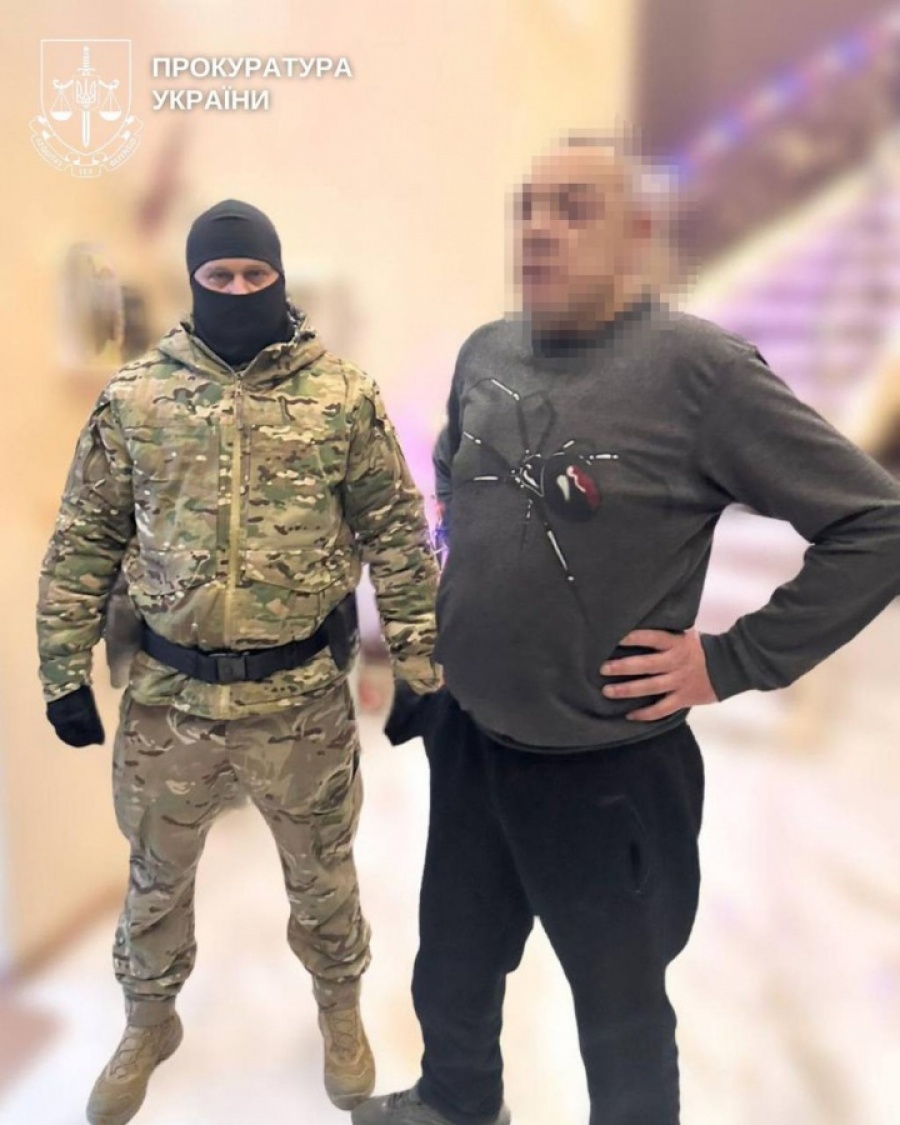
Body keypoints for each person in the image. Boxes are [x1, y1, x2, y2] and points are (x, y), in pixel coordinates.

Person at [352, 135, 900, 1125]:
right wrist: (458, 611)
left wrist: (732, 660)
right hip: (471, 742)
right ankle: (457, 1104)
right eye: (528, 207)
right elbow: (454, 478)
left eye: (574, 209)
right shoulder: (486, 352)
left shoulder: (701, 373)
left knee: (620, 1019)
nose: (539, 229)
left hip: (605, 775)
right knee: (453, 968)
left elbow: (875, 525)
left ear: (637, 236)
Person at [36, 199, 441, 1125]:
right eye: (219, 275)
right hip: (169, 698)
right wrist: (63, 669)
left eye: (255, 274)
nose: (238, 288)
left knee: (323, 874)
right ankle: (148, 1020)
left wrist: (419, 664)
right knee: (156, 876)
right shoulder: (136, 398)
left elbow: (398, 535)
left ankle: (339, 1010)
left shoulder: (342, 397)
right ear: (194, 282)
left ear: (280, 277)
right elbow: (85, 539)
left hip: (300, 699)